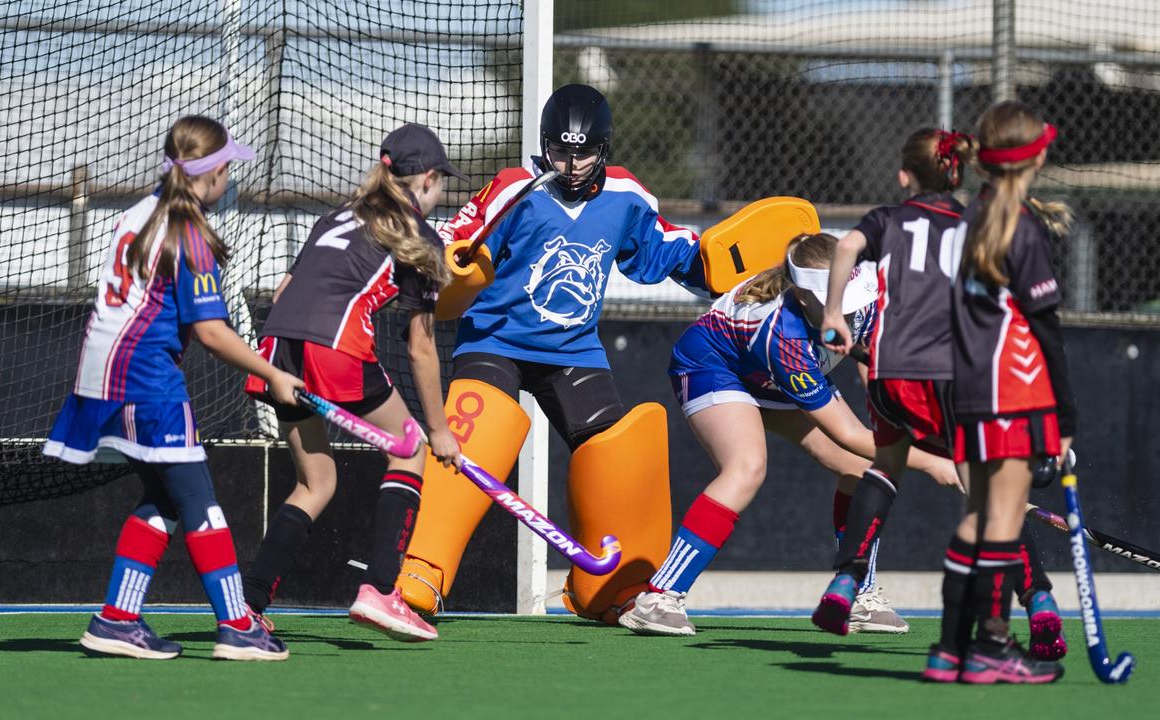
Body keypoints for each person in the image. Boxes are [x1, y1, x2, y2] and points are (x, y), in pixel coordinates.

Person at [394, 84, 707, 623]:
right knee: (476, 433)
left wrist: (722, 266)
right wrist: (451, 261)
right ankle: (421, 571)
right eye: (559, 151)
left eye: (582, 152)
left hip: (572, 349)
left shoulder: (629, 195)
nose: (570, 164)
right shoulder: (516, 187)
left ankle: (611, 587)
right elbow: (458, 236)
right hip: (495, 340)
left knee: (617, 450)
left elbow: (665, 252)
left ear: (603, 148)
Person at [43, 115, 300, 661]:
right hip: (147, 382)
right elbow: (211, 332)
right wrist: (274, 373)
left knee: (162, 497)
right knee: (202, 503)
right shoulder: (188, 235)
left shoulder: (138, 214)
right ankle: (237, 626)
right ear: (209, 175)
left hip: (100, 376)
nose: (230, 180)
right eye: (227, 169)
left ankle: (117, 619)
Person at [619, 233, 962, 636]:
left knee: (861, 468)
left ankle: (858, 594)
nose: (846, 312)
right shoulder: (784, 334)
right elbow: (848, 433)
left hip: (772, 376)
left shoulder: (866, 297)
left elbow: (872, 359)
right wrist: (933, 462)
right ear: (802, 297)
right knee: (747, 467)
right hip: (714, 365)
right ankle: (659, 597)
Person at [816, 127, 1068, 669]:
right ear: (958, 172)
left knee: (884, 469)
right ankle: (1039, 598)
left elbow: (845, 247)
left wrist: (834, 313)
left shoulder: (887, 218)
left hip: (888, 372)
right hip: (954, 377)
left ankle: (846, 579)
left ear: (905, 175)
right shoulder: (974, 225)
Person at [241, 124, 465, 642]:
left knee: (316, 483)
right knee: (409, 448)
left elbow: (283, 292)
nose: (440, 196)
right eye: (441, 186)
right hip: (335, 345)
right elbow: (422, 348)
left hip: (278, 348)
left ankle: (248, 605)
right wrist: (440, 431)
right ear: (428, 179)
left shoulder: (336, 216)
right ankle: (382, 590)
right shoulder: (421, 239)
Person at [934, 102, 1075, 684]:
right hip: (1013, 392)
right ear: (1035, 155)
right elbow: (1045, 329)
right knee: (1003, 517)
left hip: (966, 387)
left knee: (978, 518)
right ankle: (991, 647)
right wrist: (1066, 416)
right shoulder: (1021, 223)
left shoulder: (973, 214)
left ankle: (951, 649)